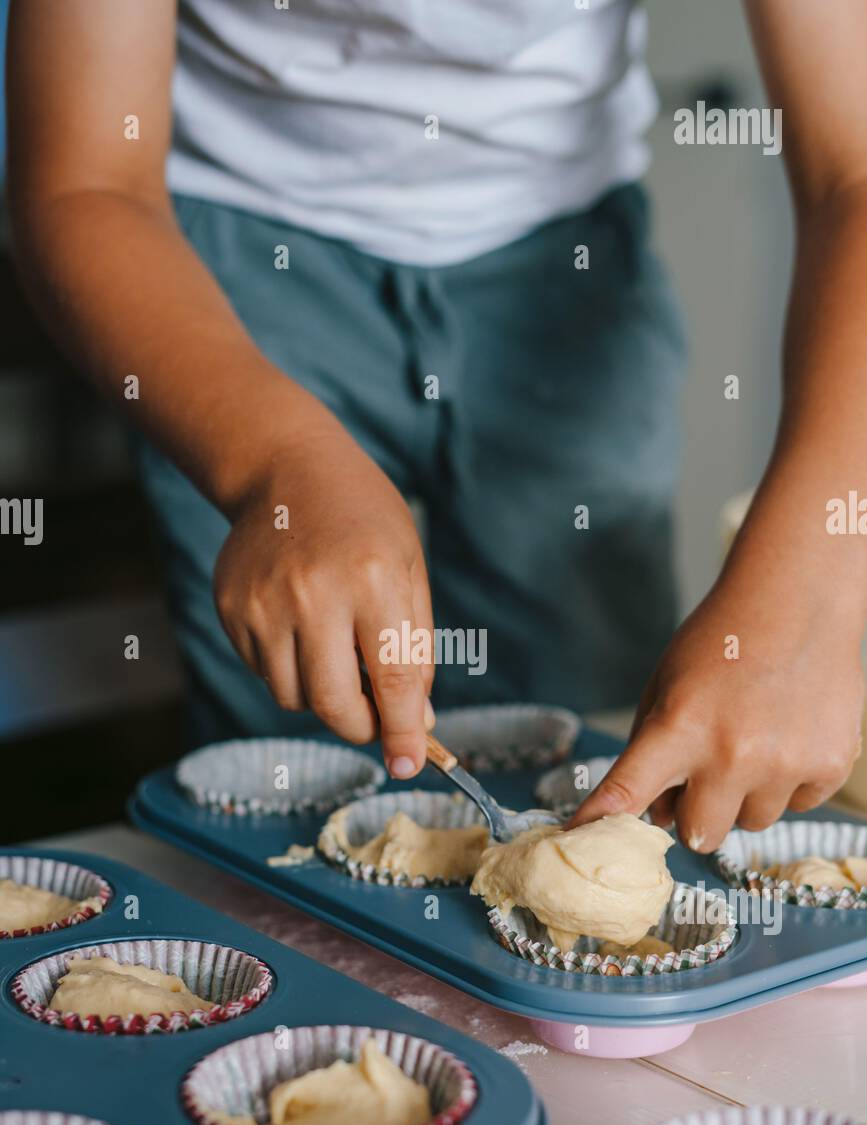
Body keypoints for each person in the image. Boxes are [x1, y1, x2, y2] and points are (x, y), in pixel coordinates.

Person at [6, 0, 867, 852]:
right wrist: (276, 463)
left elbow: (854, 169)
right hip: (218, 282)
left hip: (566, 264)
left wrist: (809, 598)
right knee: (286, 767)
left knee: (593, 737)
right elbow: (85, 182)